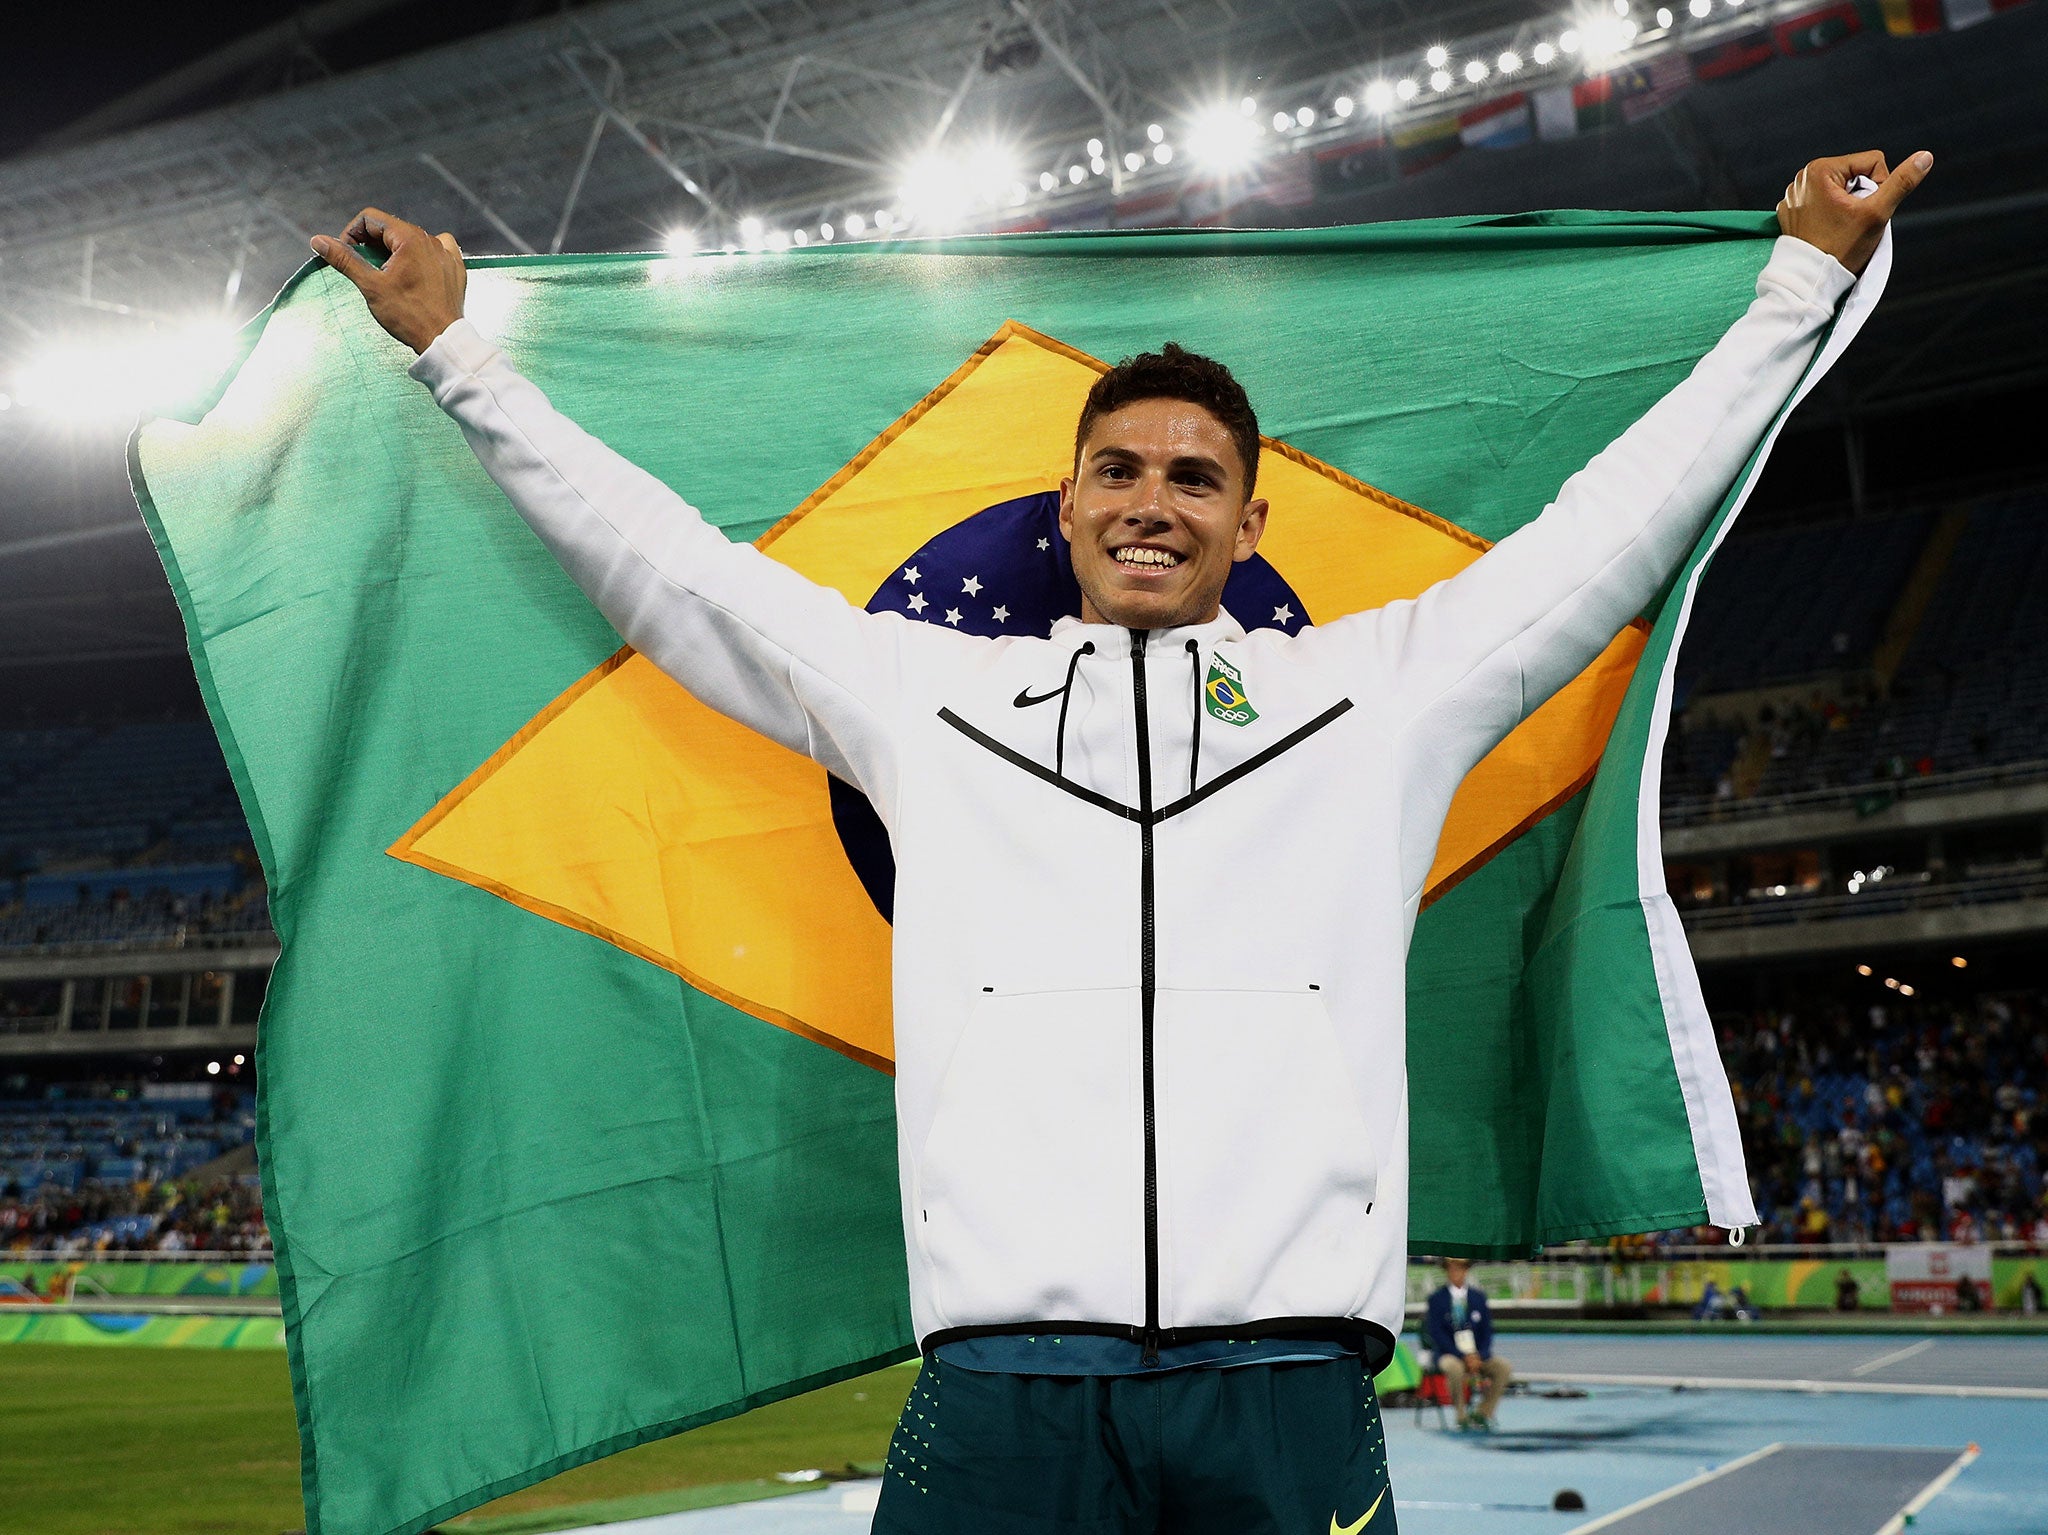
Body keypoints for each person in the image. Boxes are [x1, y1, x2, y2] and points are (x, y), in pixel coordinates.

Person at [309, 148, 1926, 1534]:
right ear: (1066, 505)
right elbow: (673, 575)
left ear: (1247, 521)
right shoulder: (922, 697)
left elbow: (1612, 524)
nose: (1153, 498)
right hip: (1005, 1372)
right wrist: (462, 358)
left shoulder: (1382, 692)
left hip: (1283, 1375)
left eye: (1194, 478)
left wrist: (1794, 281)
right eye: (1119, 469)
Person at [1421, 1258, 1510, 1431]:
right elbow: (1437, 1334)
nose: (1456, 1273)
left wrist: (1479, 1355)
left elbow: (1487, 1332)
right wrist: (1462, 1356)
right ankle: (1461, 1414)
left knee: (1503, 1367)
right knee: (1454, 1368)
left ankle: (1483, 1413)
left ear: (1466, 1271)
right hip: (1450, 1354)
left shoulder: (1478, 1298)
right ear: (1447, 1271)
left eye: (1460, 1269)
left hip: (1477, 1355)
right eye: (1452, 1269)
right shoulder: (1436, 1299)